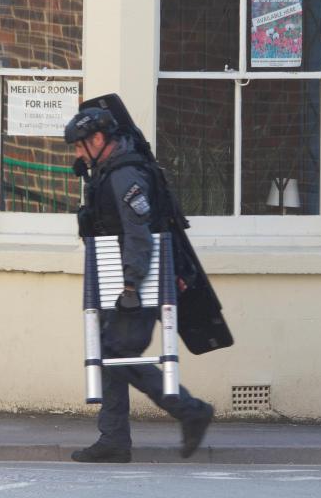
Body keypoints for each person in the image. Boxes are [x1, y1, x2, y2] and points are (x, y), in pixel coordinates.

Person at [65, 106, 214, 464]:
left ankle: (188, 410)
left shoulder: (124, 174)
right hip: (118, 278)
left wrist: (131, 287)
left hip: (138, 280)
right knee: (110, 350)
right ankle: (114, 439)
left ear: (98, 139)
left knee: (117, 353)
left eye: (79, 145)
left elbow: (138, 235)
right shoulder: (105, 171)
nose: (76, 154)